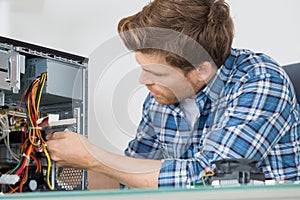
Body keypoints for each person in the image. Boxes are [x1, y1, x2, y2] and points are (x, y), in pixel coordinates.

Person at [46, 0, 300, 188]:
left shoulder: (261, 81)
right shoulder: (161, 100)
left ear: (201, 70)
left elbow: (209, 176)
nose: (143, 81)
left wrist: (94, 157)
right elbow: (129, 177)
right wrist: (54, 164)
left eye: (156, 73)